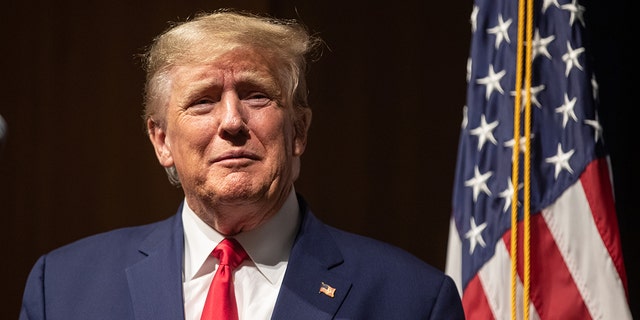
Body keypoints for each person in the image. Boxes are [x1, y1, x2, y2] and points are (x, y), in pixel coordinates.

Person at [19, 9, 465, 320]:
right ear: (161, 141)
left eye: (257, 95)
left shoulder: (412, 300)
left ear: (299, 132)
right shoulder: (62, 287)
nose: (232, 121)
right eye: (202, 101)